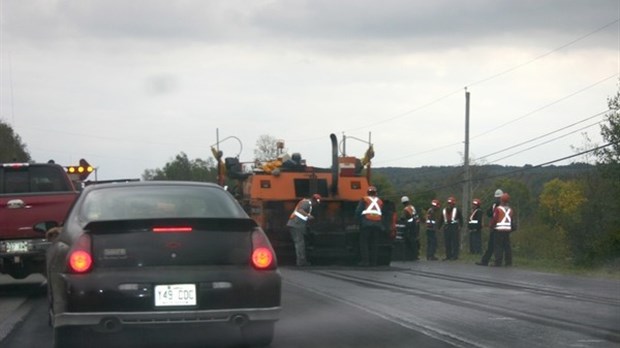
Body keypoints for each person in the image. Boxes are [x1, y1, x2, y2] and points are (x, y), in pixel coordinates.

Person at [287, 193, 321, 266]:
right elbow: (300, 210)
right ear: (314, 201)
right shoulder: (307, 203)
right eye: (317, 202)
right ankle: (301, 262)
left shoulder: (308, 203)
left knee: (299, 243)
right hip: (296, 225)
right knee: (300, 243)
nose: (316, 204)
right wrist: (308, 216)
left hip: (296, 225)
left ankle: (301, 261)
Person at [355, 186, 384, 266]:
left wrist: (357, 221)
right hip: (377, 224)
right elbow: (382, 212)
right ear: (376, 193)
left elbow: (358, 211)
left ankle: (365, 261)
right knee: (374, 243)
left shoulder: (365, 199)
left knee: (364, 243)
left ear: (368, 193)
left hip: (367, 224)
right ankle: (374, 262)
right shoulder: (379, 201)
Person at [476, 189, 503, 266]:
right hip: (495, 228)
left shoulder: (503, 206)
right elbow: (488, 213)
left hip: (500, 228)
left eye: (499, 197)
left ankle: (498, 262)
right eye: (497, 197)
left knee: (499, 246)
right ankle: (485, 261)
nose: (498, 199)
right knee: (492, 245)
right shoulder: (494, 205)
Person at [491, 192, 516, 267]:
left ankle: (498, 262)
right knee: (507, 247)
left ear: (501, 200)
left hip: (498, 230)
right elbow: (511, 220)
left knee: (498, 246)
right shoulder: (510, 210)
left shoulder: (498, 209)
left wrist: (491, 226)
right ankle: (508, 262)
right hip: (507, 230)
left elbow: (494, 219)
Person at [441, 196, 463, 261]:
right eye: (449, 203)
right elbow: (441, 219)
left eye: (451, 203)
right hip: (447, 227)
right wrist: (439, 227)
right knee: (447, 242)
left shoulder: (457, 210)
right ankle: (448, 256)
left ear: (453, 204)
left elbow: (461, 218)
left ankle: (455, 256)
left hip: (454, 226)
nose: (449, 205)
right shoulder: (444, 210)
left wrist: (461, 226)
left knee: (455, 242)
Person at [400, 196, 420, 261]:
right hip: (417, 224)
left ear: (403, 203)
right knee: (415, 239)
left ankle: (413, 255)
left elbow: (403, 218)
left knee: (411, 240)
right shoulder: (412, 207)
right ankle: (416, 254)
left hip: (412, 226)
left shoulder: (406, 209)